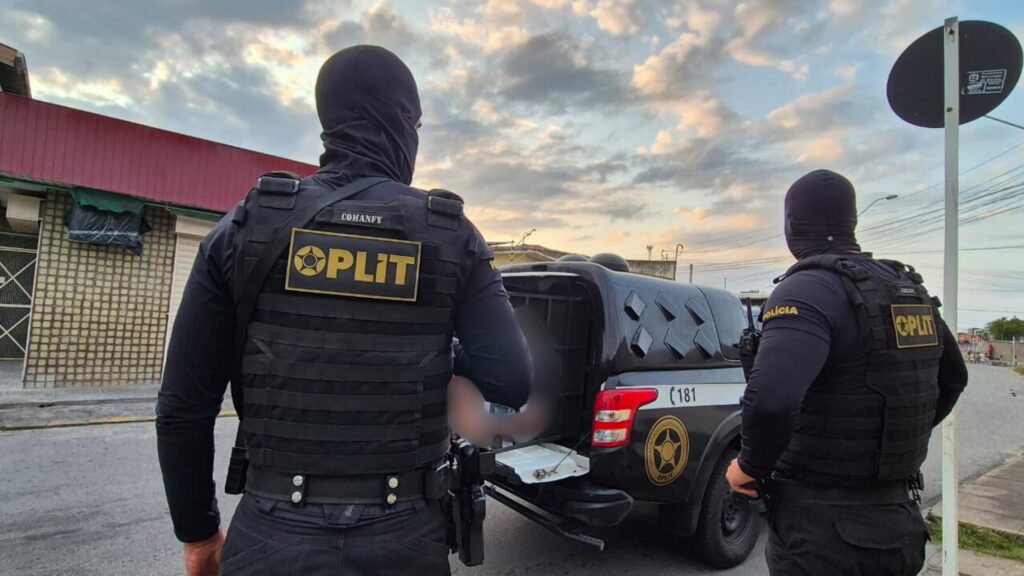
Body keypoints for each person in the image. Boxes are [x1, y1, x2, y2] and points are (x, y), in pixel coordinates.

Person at [156, 45, 532, 576]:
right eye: (416, 125)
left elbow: (183, 407)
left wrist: (198, 534)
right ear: (401, 123)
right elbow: (511, 379)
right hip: (405, 538)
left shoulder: (247, 225)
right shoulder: (452, 236)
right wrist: (437, 351)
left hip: (271, 535)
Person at [725, 169, 968, 576]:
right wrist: (885, 443)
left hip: (823, 532)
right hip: (898, 522)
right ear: (851, 222)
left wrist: (747, 466)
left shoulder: (806, 289)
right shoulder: (906, 290)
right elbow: (953, 379)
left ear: (790, 225)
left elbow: (771, 401)